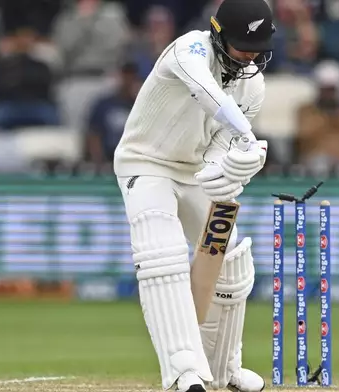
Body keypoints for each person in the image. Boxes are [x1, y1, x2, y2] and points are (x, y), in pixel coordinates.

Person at [112, 0, 274, 391]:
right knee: (161, 254)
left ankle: (222, 371)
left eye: (256, 48)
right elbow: (207, 94)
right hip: (144, 164)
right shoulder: (190, 49)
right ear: (218, 35)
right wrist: (248, 138)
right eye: (241, 46)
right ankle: (184, 370)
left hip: (191, 172)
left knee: (231, 257)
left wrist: (228, 168)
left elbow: (220, 143)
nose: (250, 55)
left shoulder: (253, 85)